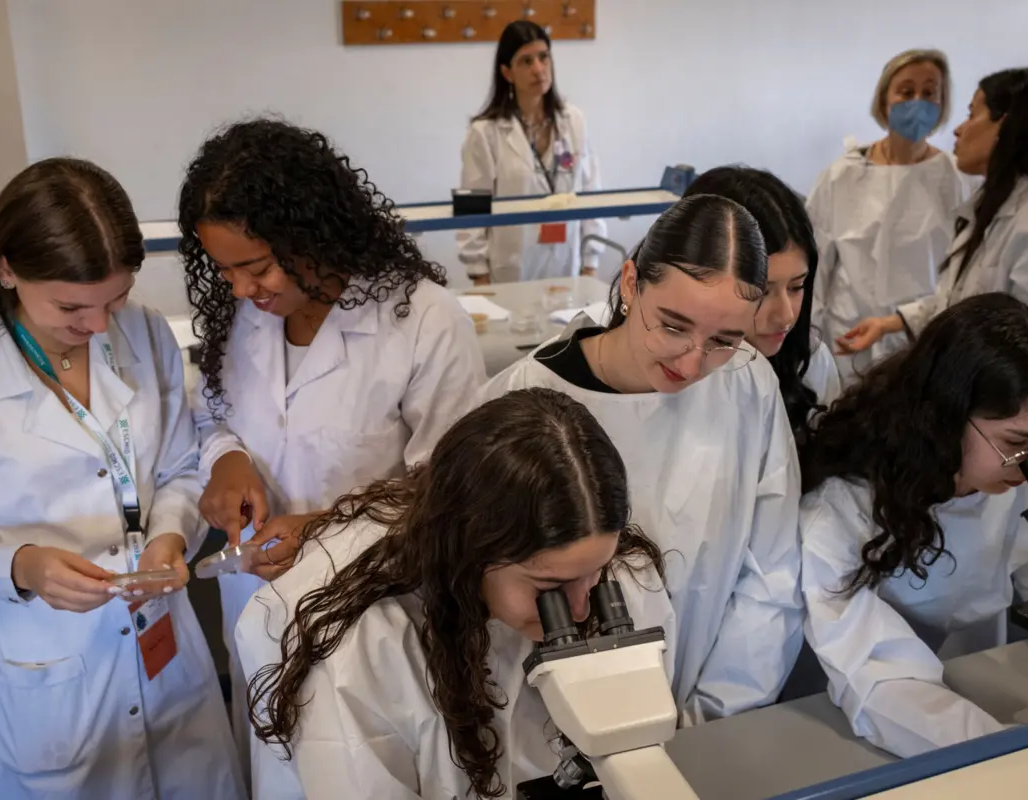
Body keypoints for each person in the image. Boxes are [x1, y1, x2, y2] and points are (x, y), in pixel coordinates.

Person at [0, 158, 243, 798]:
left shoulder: (144, 331)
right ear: (6, 269)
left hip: (164, 654)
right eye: (70, 306)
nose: (97, 326)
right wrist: (23, 568)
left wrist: (170, 537)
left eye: (114, 299)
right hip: (38, 678)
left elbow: (179, 469)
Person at [177, 118, 486, 782]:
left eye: (256, 267)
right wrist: (227, 459)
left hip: (371, 612)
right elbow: (215, 416)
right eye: (224, 271)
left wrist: (325, 528)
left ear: (312, 233)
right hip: (257, 608)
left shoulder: (422, 321)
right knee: (275, 775)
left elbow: (454, 490)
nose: (240, 289)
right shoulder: (245, 318)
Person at [236, 388, 675, 798]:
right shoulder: (366, 646)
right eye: (551, 588)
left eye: (594, 574)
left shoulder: (622, 575)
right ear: (472, 550)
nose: (579, 610)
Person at [478, 194, 804, 725]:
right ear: (631, 283)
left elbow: (772, 572)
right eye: (673, 326)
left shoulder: (746, 382)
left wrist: (712, 714)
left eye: (724, 339)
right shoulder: (520, 397)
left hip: (701, 705)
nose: (692, 363)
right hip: (537, 718)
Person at [800, 293, 1028, 758]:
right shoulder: (842, 505)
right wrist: (1004, 753)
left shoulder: (1020, 464)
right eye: (1017, 442)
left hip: (976, 673)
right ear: (945, 413)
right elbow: (878, 676)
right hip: (851, 717)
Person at [842, 68, 1028, 356]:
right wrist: (887, 324)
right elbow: (955, 301)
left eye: (972, 115)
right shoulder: (990, 207)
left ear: (1004, 126)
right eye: (906, 92)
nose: (959, 129)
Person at [807, 49, 968, 384]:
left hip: (923, 337)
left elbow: (961, 273)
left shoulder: (956, 178)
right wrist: (809, 342)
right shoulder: (843, 175)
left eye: (929, 93)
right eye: (906, 92)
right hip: (847, 334)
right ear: (883, 101)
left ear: (943, 105)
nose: (917, 102)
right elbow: (815, 264)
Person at [683, 166, 841, 433]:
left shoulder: (810, 363)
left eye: (796, 286)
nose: (786, 315)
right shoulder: (666, 374)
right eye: (761, 292)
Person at [458, 20, 604, 285]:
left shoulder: (573, 121)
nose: (538, 69)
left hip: (566, 266)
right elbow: (470, 211)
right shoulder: (485, 132)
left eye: (543, 57)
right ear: (507, 73)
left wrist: (590, 265)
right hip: (511, 273)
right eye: (526, 61)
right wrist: (479, 275)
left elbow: (591, 194)